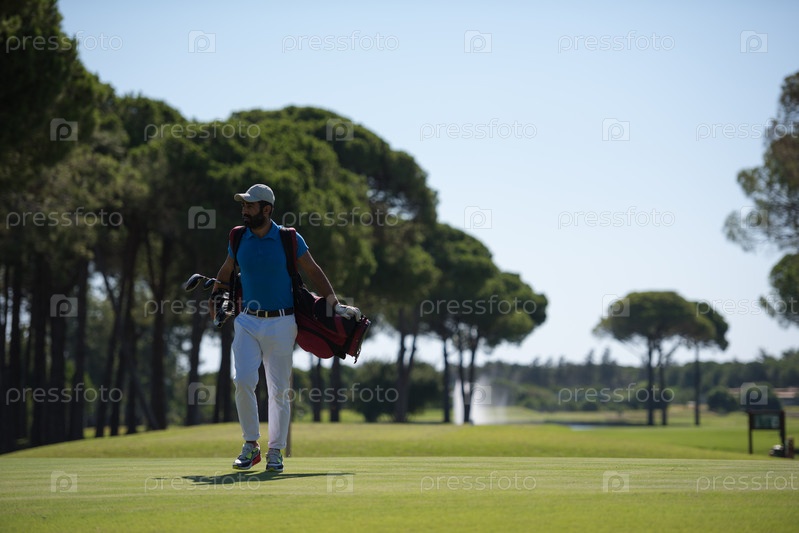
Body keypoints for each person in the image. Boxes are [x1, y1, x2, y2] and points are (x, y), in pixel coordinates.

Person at [210, 184, 361, 472]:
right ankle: (251, 445)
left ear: (266, 209)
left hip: (281, 322)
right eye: (243, 205)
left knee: (278, 390)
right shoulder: (237, 236)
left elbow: (313, 270)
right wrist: (217, 294)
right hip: (247, 320)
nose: (244, 210)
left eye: (250, 205)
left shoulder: (288, 238)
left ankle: (275, 451)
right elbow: (227, 268)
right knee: (243, 380)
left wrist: (335, 304)